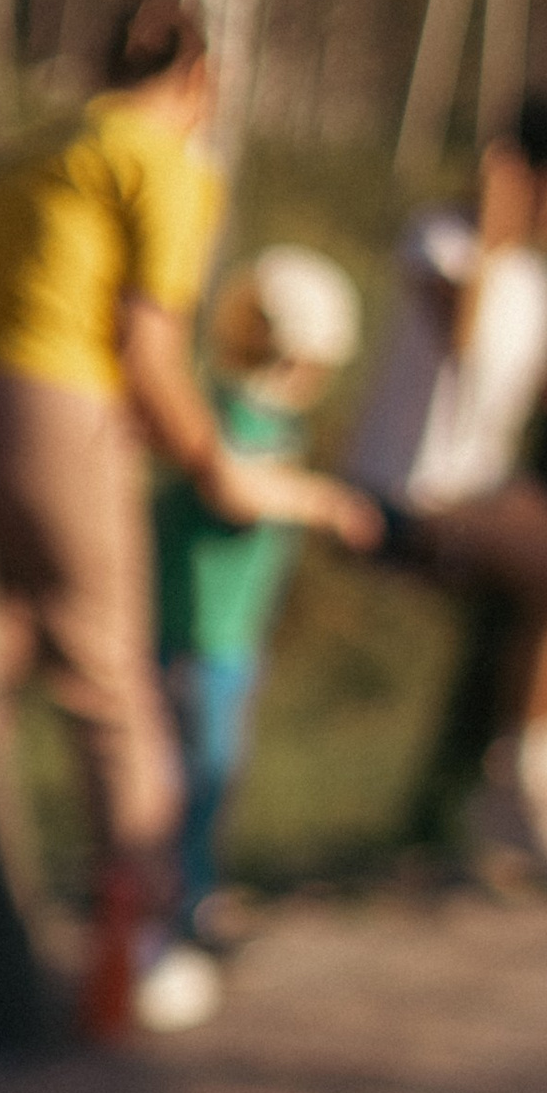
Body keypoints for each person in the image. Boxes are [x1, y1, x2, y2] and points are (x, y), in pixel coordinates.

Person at [0, 0, 375, 1039]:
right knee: (108, 681)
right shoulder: (163, 164)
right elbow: (146, 353)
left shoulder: (19, 157)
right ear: (200, 79)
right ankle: (132, 956)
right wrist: (212, 462)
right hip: (61, 410)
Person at [348, 93, 547, 884]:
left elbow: (534, 385)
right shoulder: (442, 242)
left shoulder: (536, 281)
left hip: (475, 483)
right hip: (411, 493)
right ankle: (515, 787)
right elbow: (466, 338)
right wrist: (493, 221)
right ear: (526, 176)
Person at [152, 246, 363, 952]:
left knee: (210, 779)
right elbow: (238, 488)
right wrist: (323, 501)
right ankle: (179, 905)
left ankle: (187, 895)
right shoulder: (228, 416)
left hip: (231, 636)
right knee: (197, 780)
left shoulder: (257, 418)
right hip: (197, 636)